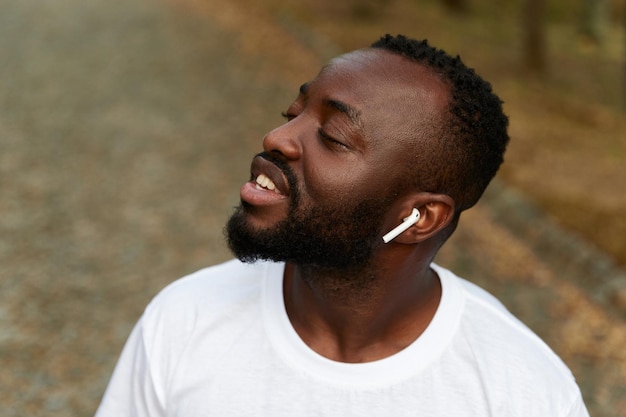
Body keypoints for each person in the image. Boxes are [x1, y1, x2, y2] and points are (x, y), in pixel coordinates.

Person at [95, 34, 589, 416]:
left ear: (417, 218)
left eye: (332, 136)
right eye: (294, 111)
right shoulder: (184, 320)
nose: (278, 137)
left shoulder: (522, 390)